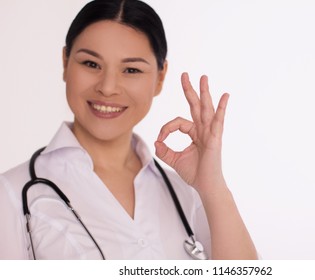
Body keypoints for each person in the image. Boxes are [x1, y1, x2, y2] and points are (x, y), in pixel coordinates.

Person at [0, 0, 257, 260]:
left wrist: (213, 187)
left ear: (159, 77)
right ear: (66, 62)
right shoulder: (10, 194)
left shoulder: (189, 193)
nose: (108, 87)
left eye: (131, 69)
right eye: (91, 64)